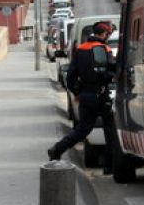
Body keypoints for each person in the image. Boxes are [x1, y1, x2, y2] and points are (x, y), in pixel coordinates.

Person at [48, 21, 116, 175]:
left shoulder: (81, 49)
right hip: (101, 94)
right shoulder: (105, 49)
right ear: (104, 34)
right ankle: (108, 167)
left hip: (86, 95)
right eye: (108, 34)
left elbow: (71, 76)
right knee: (110, 131)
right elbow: (109, 72)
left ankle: (56, 149)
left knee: (82, 129)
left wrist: (77, 92)